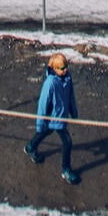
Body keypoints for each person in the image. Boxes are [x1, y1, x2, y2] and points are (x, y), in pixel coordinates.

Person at [24, 52, 81, 184]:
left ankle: (31, 147)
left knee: (46, 132)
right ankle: (66, 169)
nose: (65, 70)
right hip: (53, 118)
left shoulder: (67, 78)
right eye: (61, 68)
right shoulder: (50, 83)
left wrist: (73, 112)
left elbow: (71, 96)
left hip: (62, 117)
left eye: (66, 66)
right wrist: (40, 124)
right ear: (54, 68)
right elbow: (42, 105)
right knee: (67, 142)